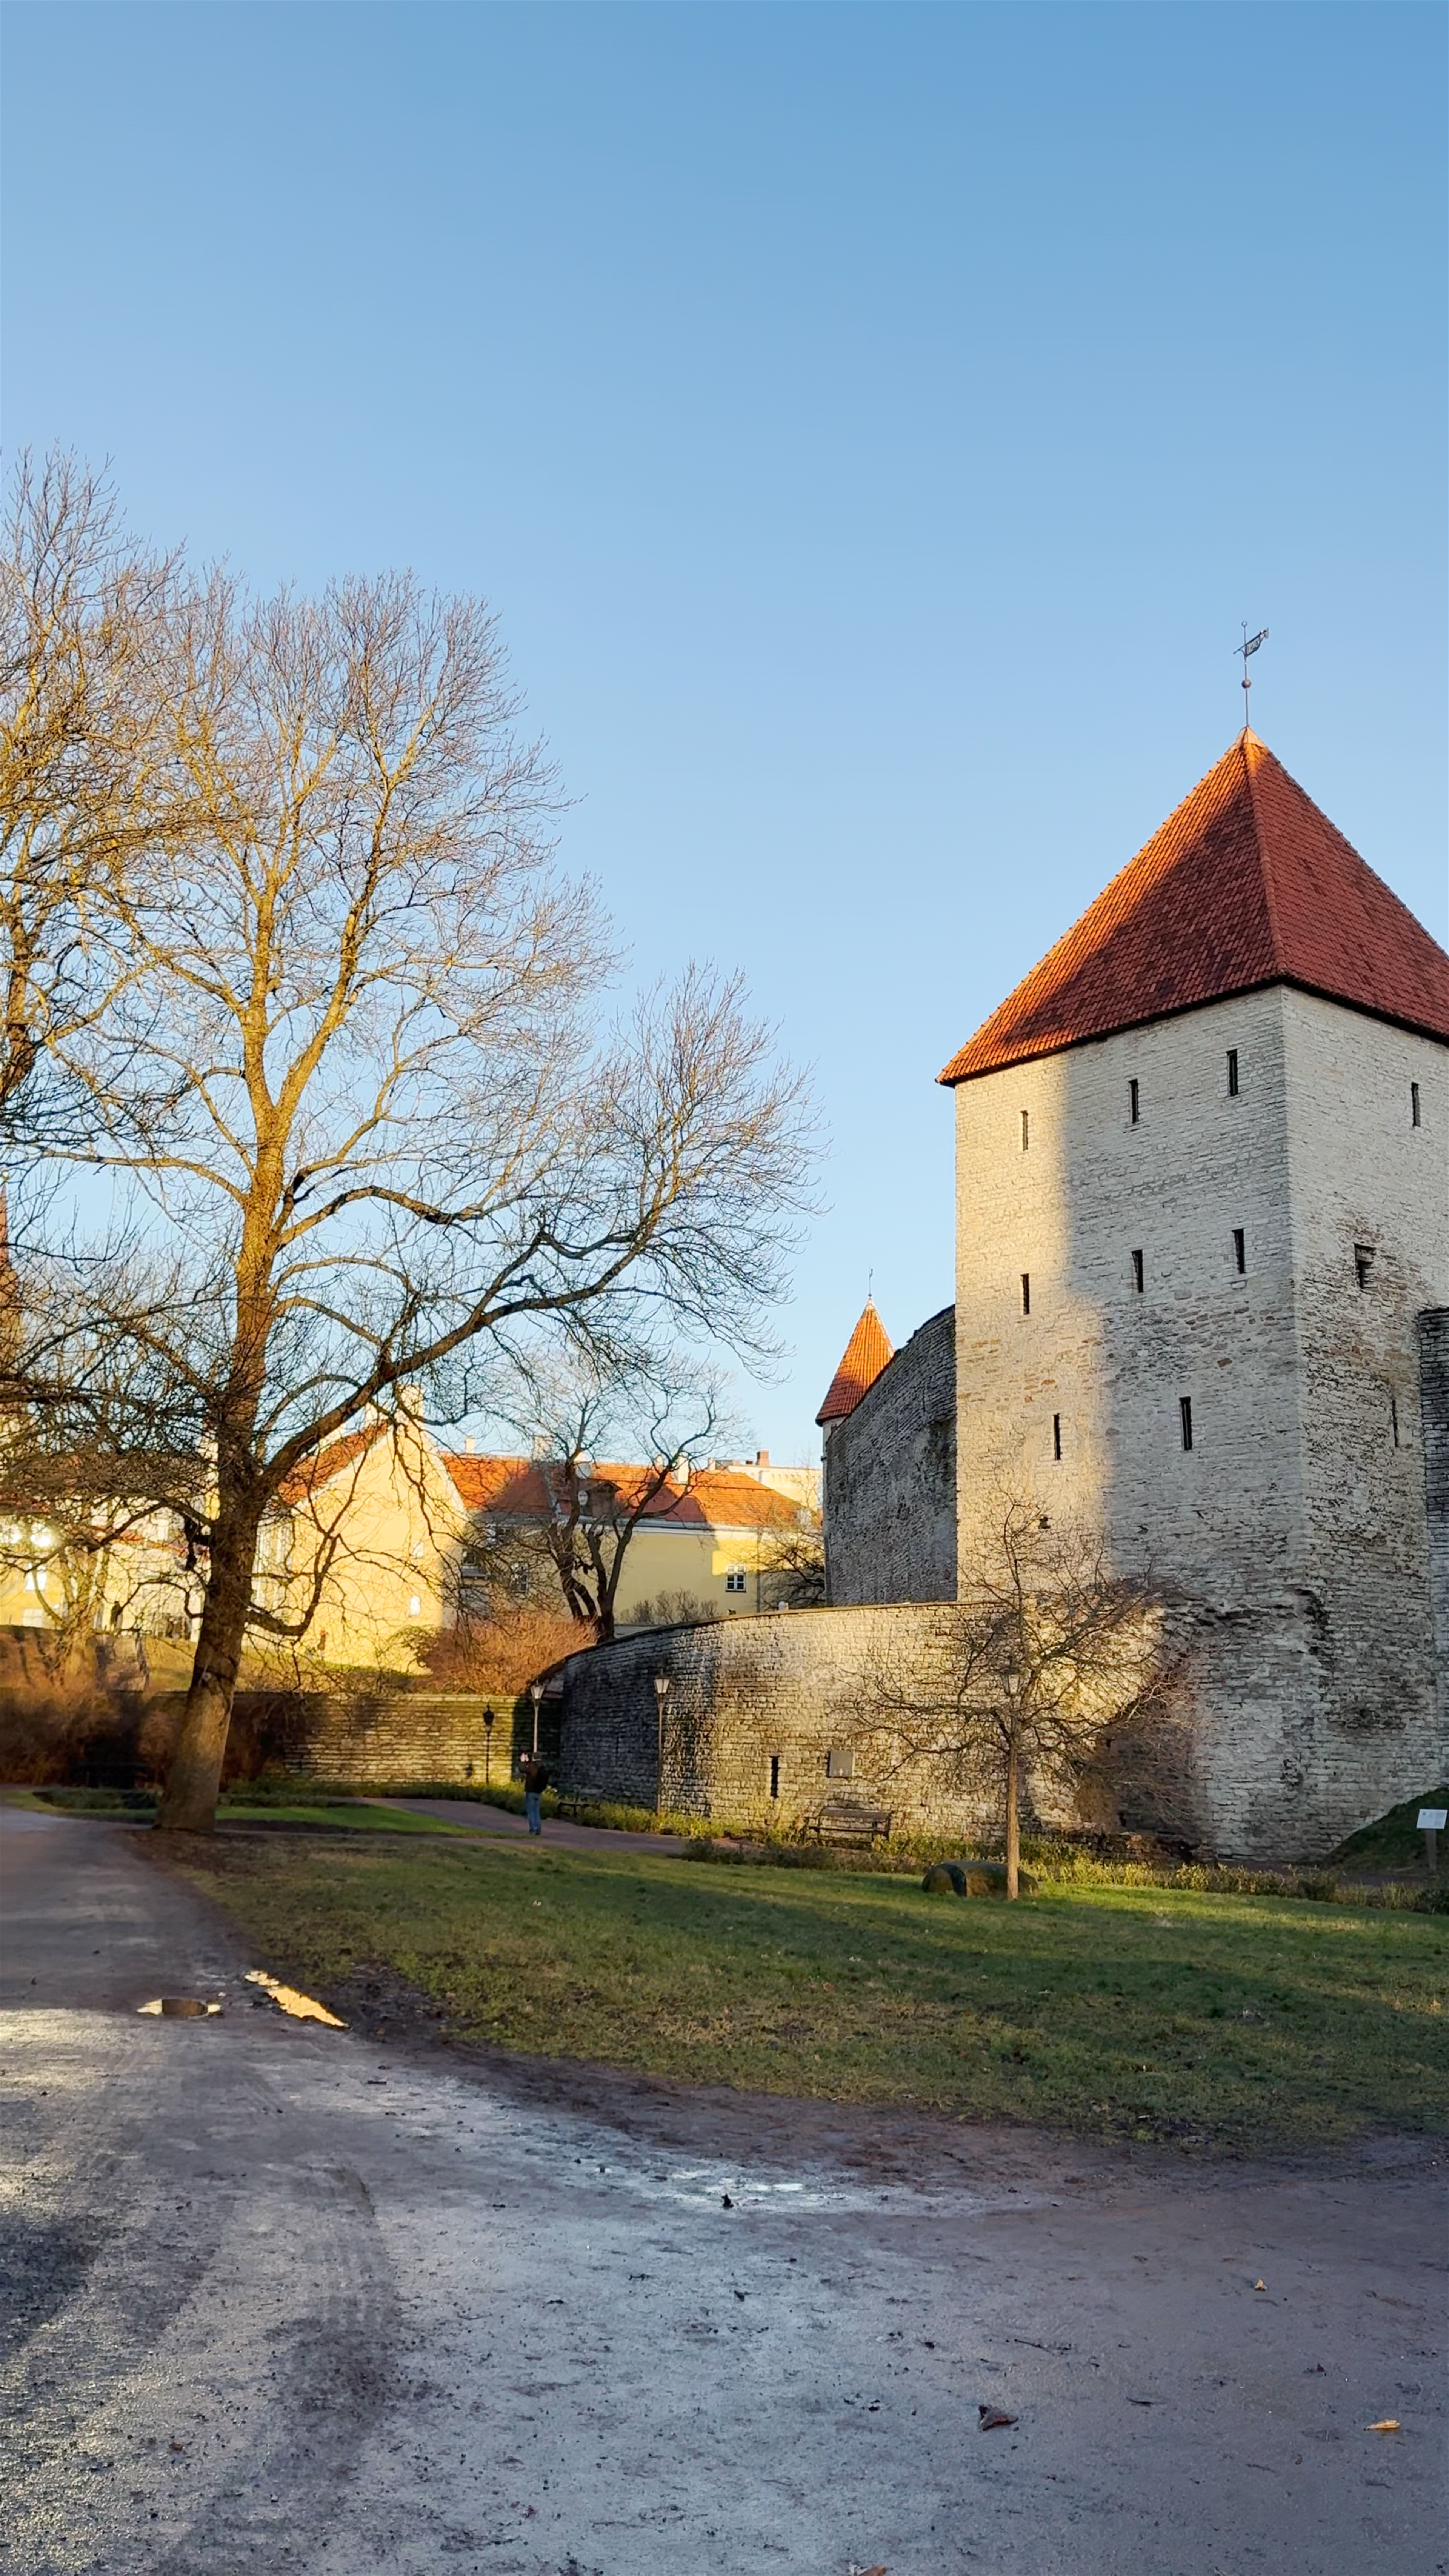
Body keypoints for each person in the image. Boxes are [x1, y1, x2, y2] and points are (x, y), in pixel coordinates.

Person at [520, 1750, 549, 1835]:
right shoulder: (543, 1766)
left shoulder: (533, 1766)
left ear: (534, 1758)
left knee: (531, 1811)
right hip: (538, 1791)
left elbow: (523, 1770)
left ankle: (533, 1829)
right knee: (537, 1811)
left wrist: (523, 1762)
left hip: (531, 1791)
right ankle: (538, 1829)